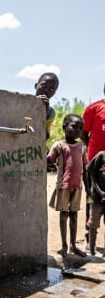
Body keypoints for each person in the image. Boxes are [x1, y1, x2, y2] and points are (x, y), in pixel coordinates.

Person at [47, 114, 89, 258]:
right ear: (64, 127)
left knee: (74, 215)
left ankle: (73, 245)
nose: (78, 130)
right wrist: (55, 167)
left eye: (80, 128)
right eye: (74, 126)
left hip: (77, 187)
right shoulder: (59, 145)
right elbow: (49, 160)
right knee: (64, 215)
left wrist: (88, 187)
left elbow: (85, 168)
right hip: (63, 186)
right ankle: (64, 246)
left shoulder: (81, 147)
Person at [81, 88, 105, 251]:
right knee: (92, 196)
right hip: (95, 164)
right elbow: (83, 133)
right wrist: (94, 151)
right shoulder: (94, 108)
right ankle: (89, 234)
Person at [86, 151, 105, 255]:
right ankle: (92, 251)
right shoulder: (100, 156)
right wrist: (100, 192)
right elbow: (92, 174)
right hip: (96, 198)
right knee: (93, 225)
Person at [34, 72, 59, 140]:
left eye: (51, 89)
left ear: (54, 93)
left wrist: (43, 111)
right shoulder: (22, 102)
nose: (46, 90)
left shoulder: (50, 112)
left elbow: (45, 137)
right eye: (43, 86)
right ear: (36, 86)